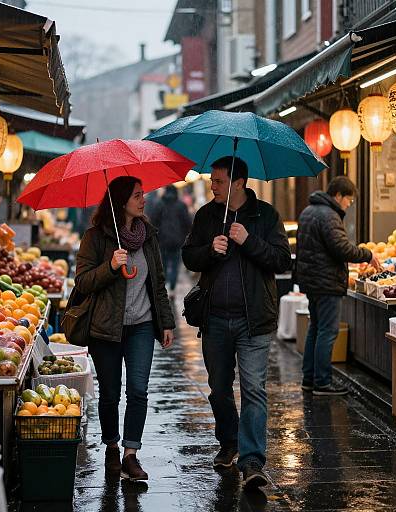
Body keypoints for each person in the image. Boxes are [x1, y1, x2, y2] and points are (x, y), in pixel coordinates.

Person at [182, 156, 291, 491]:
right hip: (214, 318)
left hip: (253, 320)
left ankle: (253, 460)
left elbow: (282, 260)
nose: (212, 186)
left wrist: (249, 241)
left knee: (254, 389)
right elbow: (188, 256)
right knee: (218, 388)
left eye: (218, 181)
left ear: (239, 183)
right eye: (212, 181)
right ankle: (229, 441)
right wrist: (209, 250)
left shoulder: (266, 216)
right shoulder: (206, 216)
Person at [75, 176, 175, 481]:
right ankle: (111, 447)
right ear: (121, 201)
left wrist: (167, 322)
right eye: (137, 195)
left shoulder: (148, 235)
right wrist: (110, 267)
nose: (143, 200)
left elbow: (157, 282)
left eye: (143, 194)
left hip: (142, 325)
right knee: (109, 394)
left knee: (139, 390)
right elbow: (82, 282)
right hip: (106, 328)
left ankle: (131, 453)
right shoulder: (96, 237)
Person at [296, 176, 381, 396]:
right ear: (338, 196)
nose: (348, 205)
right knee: (327, 331)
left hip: (312, 281)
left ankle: (309, 378)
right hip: (326, 283)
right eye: (348, 201)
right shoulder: (328, 215)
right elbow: (342, 248)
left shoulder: (308, 212)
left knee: (315, 328)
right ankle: (322, 382)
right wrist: (367, 254)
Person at [152, 185, 192, 298]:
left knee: (163, 265)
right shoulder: (181, 205)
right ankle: (172, 288)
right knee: (175, 264)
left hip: (162, 240)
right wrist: (185, 236)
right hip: (177, 241)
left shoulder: (159, 204)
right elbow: (187, 223)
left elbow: (153, 222)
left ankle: (165, 286)